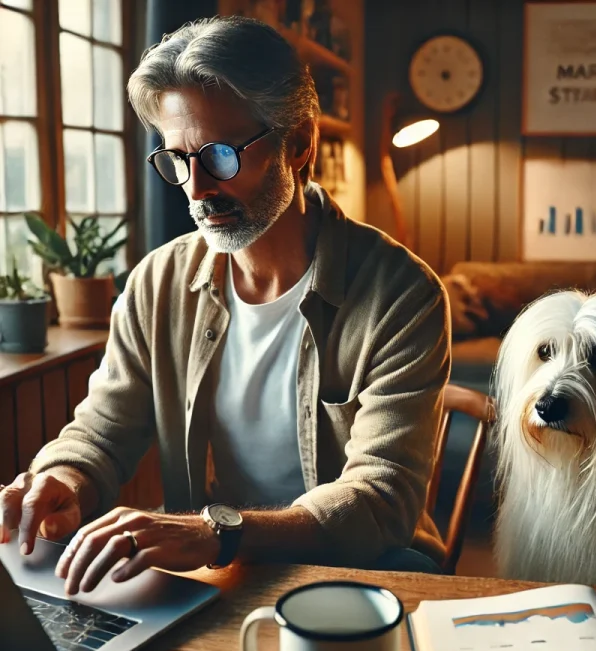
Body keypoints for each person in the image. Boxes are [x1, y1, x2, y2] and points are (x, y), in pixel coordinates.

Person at [0, 16, 450, 592]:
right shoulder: (155, 284)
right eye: (176, 160)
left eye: (219, 156)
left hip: (364, 567)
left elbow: (382, 499)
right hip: (219, 567)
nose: (195, 187)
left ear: (300, 143)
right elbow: (101, 433)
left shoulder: (402, 295)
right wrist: (64, 477)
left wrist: (218, 533)